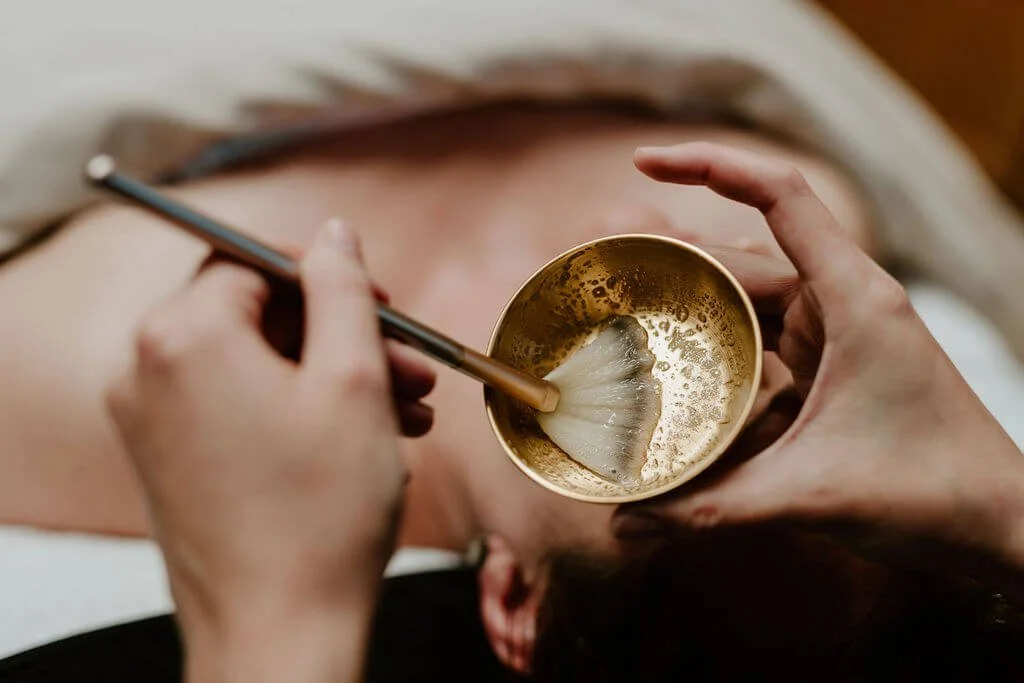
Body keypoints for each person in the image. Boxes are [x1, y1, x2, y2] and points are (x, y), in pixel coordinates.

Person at [5, 143, 1023, 682]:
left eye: (687, 457)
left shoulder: (87, 371)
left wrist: (278, 619)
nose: (753, 380)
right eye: (794, 391)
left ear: (512, 598)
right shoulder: (808, 212)